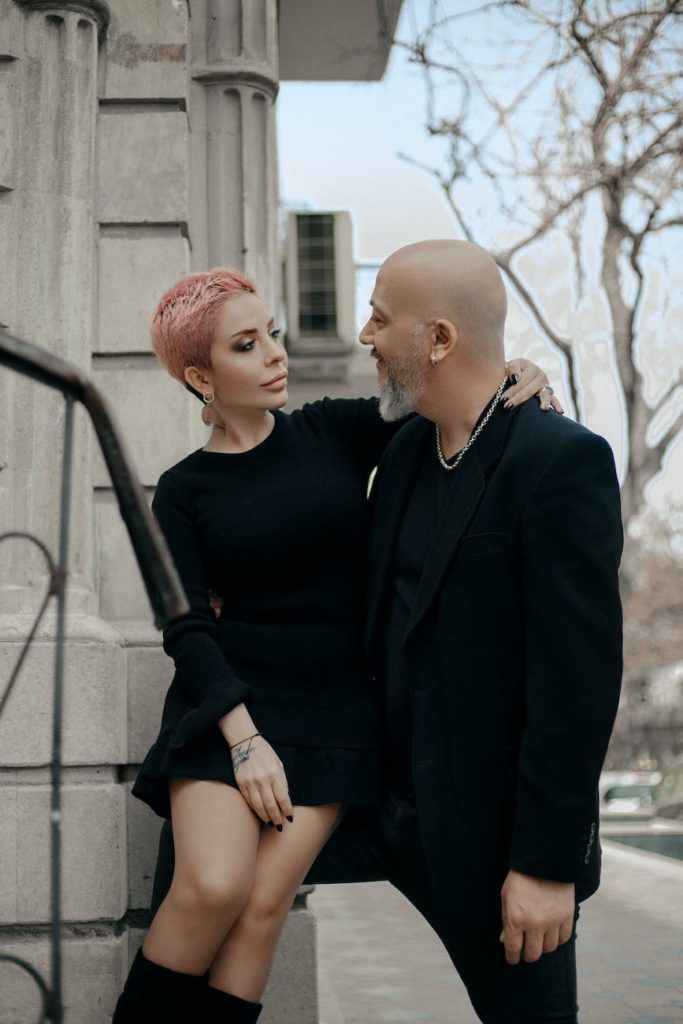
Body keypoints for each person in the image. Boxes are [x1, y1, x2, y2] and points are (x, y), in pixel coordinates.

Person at [114, 268, 558, 1023]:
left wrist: (512, 369)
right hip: (228, 712)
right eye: (247, 346)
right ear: (200, 375)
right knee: (212, 888)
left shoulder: (334, 430)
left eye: (274, 335)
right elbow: (186, 625)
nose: (274, 356)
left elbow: (443, 392)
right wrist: (244, 740)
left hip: (333, 716)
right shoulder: (183, 489)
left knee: (260, 909)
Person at [308, 239, 623, 1024]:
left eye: (380, 318)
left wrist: (546, 868)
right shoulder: (408, 444)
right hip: (378, 809)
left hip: (489, 846)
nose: (363, 335)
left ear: (439, 339)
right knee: (203, 862)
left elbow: (575, 685)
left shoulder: (559, 461)